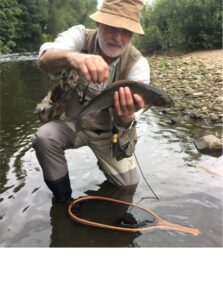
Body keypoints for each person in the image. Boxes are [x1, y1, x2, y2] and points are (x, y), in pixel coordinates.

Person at [32, 0, 150, 202]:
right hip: (72, 122)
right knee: (43, 138)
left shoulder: (138, 65)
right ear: (98, 24)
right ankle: (63, 201)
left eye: (126, 31)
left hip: (107, 134)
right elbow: (44, 60)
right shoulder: (79, 36)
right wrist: (73, 58)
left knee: (128, 185)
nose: (118, 38)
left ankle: (105, 164)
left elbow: (127, 123)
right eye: (112, 27)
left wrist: (124, 117)